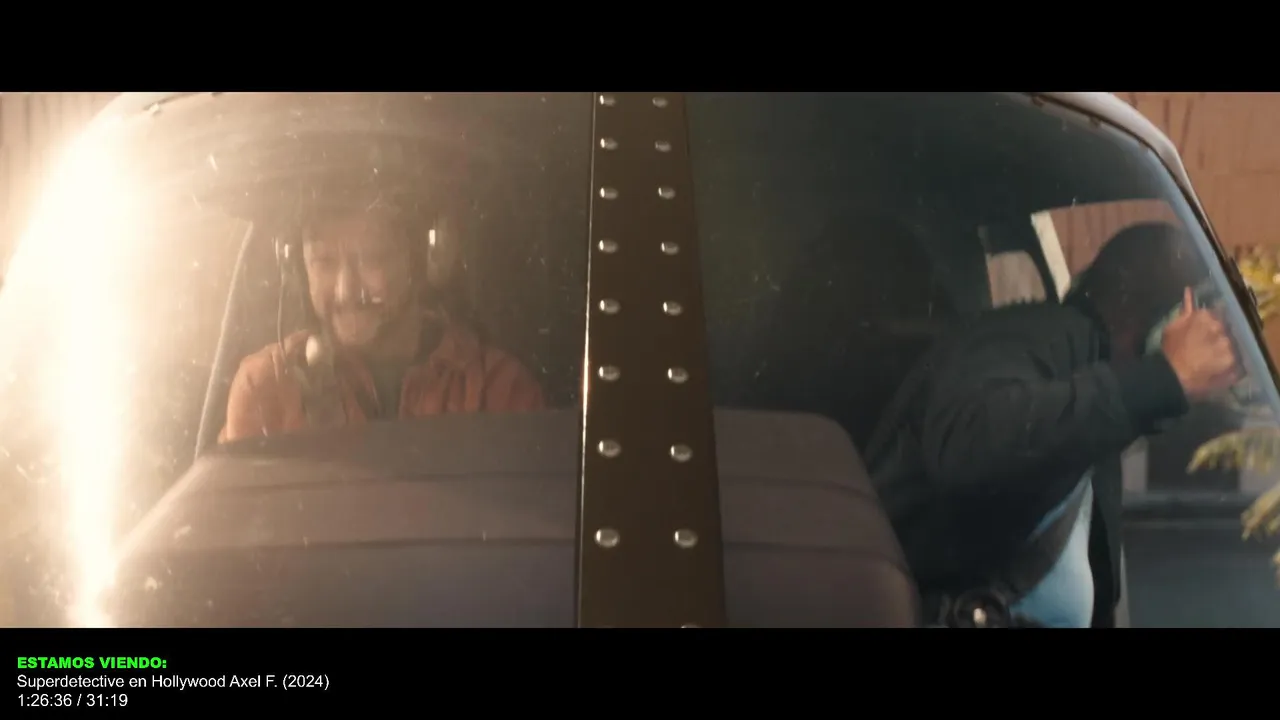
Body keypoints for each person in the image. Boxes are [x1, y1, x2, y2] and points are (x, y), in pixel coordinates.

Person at [864, 221, 1240, 628]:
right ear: (1129, 298)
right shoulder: (1038, 337)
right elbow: (967, 440)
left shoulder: (1094, 391)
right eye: (1189, 313)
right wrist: (1161, 378)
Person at [219, 188, 545, 443]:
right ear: (298, 269)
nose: (346, 292)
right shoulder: (266, 389)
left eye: (372, 259)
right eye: (324, 262)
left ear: (423, 261)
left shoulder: (497, 390)